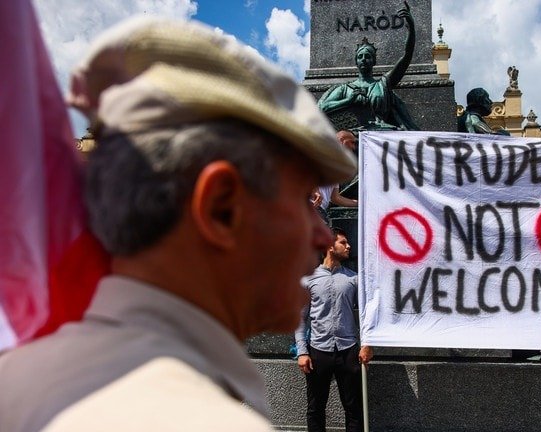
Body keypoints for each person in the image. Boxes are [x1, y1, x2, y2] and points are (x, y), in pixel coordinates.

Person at [0, 17, 357, 432]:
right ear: (220, 209)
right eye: (301, 199)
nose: (323, 234)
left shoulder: (20, 378)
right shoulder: (208, 422)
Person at [295, 227, 373, 432]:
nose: (348, 246)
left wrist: (367, 344)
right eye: (343, 242)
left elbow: (367, 314)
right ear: (330, 246)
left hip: (348, 350)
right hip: (318, 350)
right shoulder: (308, 279)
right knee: (315, 408)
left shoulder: (354, 279)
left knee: (354, 408)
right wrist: (302, 352)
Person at [317, 2, 419, 131]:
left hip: (381, 134)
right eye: (360, 57)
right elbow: (322, 108)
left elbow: (407, 56)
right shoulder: (345, 89)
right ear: (356, 62)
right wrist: (348, 100)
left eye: (367, 56)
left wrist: (411, 28)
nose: (364, 59)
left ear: (374, 61)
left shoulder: (383, 84)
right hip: (353, 135)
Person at [314, 130, 359, 221]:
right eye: (352, 142)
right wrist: (315, 191)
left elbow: (335, 198)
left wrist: (361, 203)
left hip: (319, 209)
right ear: (341, 140)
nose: (353, 147)